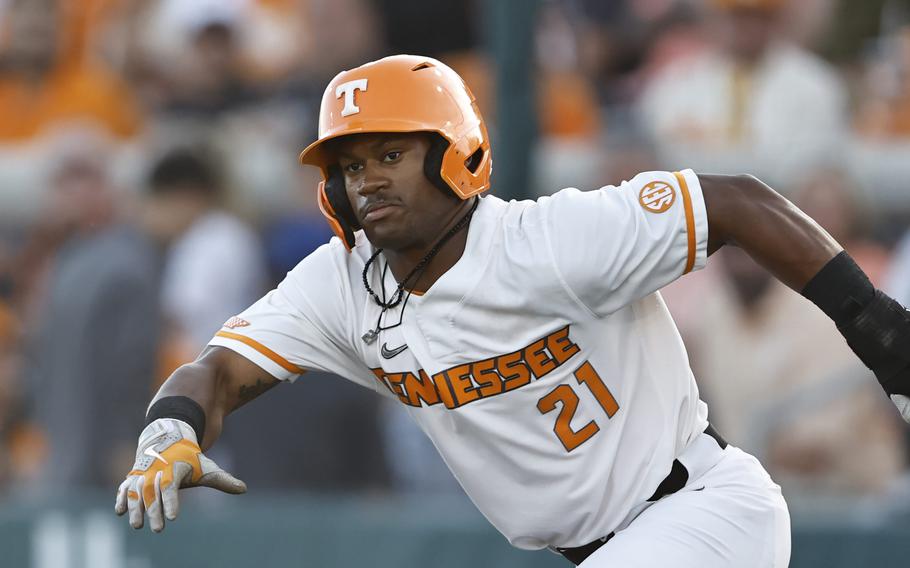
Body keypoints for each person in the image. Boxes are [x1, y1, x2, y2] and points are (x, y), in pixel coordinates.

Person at [114, 55, 910, 567]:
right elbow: (217, 370)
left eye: (390, 154)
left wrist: (877, 329)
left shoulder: (551, 241)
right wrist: (169, 431)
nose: (368, 182)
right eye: (351, 165)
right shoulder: (340, 284)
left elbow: (735, 203)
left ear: (455, 154)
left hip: (701, 513)